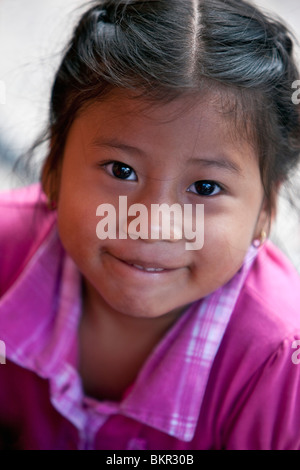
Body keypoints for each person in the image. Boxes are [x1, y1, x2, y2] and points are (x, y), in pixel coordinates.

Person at [1, 0, 300, 451]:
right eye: (121, 171)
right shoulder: (5, 253)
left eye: (204, 186)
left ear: (265, 210)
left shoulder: (280, 367)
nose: (154, 223)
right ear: (53, 169)